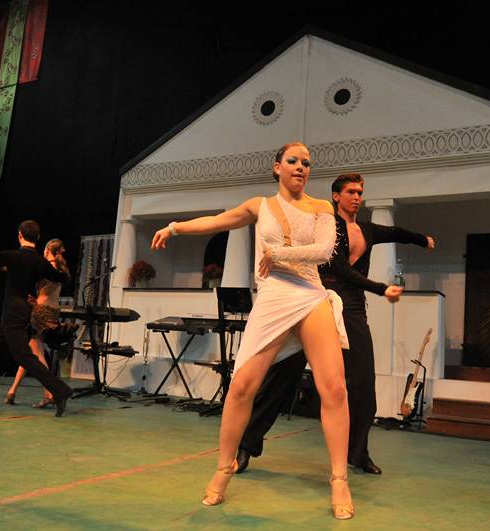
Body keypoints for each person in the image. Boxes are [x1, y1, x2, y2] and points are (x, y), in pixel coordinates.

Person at [151, 142, 355, 519]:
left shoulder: (321, 207)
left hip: (309, 294)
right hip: (274, 295)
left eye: (306, 163)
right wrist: (174, 227)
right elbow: (217, 221)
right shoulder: (259, 206)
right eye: (293, 161)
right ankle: (223, 468)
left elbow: (324, 250)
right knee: (242, 386)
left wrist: (278, 254)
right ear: (277, 167)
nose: (301, 167)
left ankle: (339, 478)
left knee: (335, 387)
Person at [235, 172, 435, 475]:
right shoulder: (327, 225)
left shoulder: (367, 230)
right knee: (283, 376)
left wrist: (423, 240)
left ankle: (358, 454)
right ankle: (246, 445)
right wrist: (381, 288)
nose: (357, 197)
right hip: (316, 304)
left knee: (363, 386)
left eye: (360, 192)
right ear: (336, 196)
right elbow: (340, 269)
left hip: (352, 309)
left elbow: (396, 232)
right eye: (351, 192)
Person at [0, 220, 73, 417]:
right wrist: (59, 264)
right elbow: (62, 278)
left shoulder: (12, 255)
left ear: (20, 235)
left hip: (12, 310)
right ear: (37, 238)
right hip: (22, 310)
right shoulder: (39, 261)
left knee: (24, 357)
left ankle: (60, 390)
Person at [4, 238, 69, 408]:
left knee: (37, 354)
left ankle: (50, 393)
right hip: (53, 311)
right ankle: (11, 391)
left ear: (47, 250)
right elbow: (49, 291)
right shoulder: (61, 267)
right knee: (30, 354)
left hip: (41, 311)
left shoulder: (47, 267)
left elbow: (25, 274)